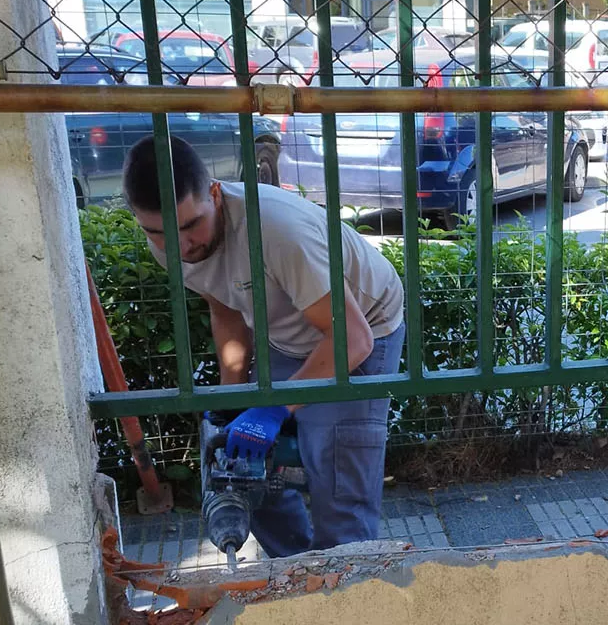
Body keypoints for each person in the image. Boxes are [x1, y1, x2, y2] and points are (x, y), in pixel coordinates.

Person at [122, 135, 405, 553]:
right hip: (287, 330)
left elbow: (353, 339)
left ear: (215, 195)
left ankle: (348, 581)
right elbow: (226, 309)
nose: (180, 246)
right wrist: (233, 397)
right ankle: (297, 576)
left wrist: (274, 407)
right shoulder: (170, 240)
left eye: (189, 226)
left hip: (363, 329)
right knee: (244, 469)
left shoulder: (277, 231)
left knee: (336, 477)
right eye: (159, 232)